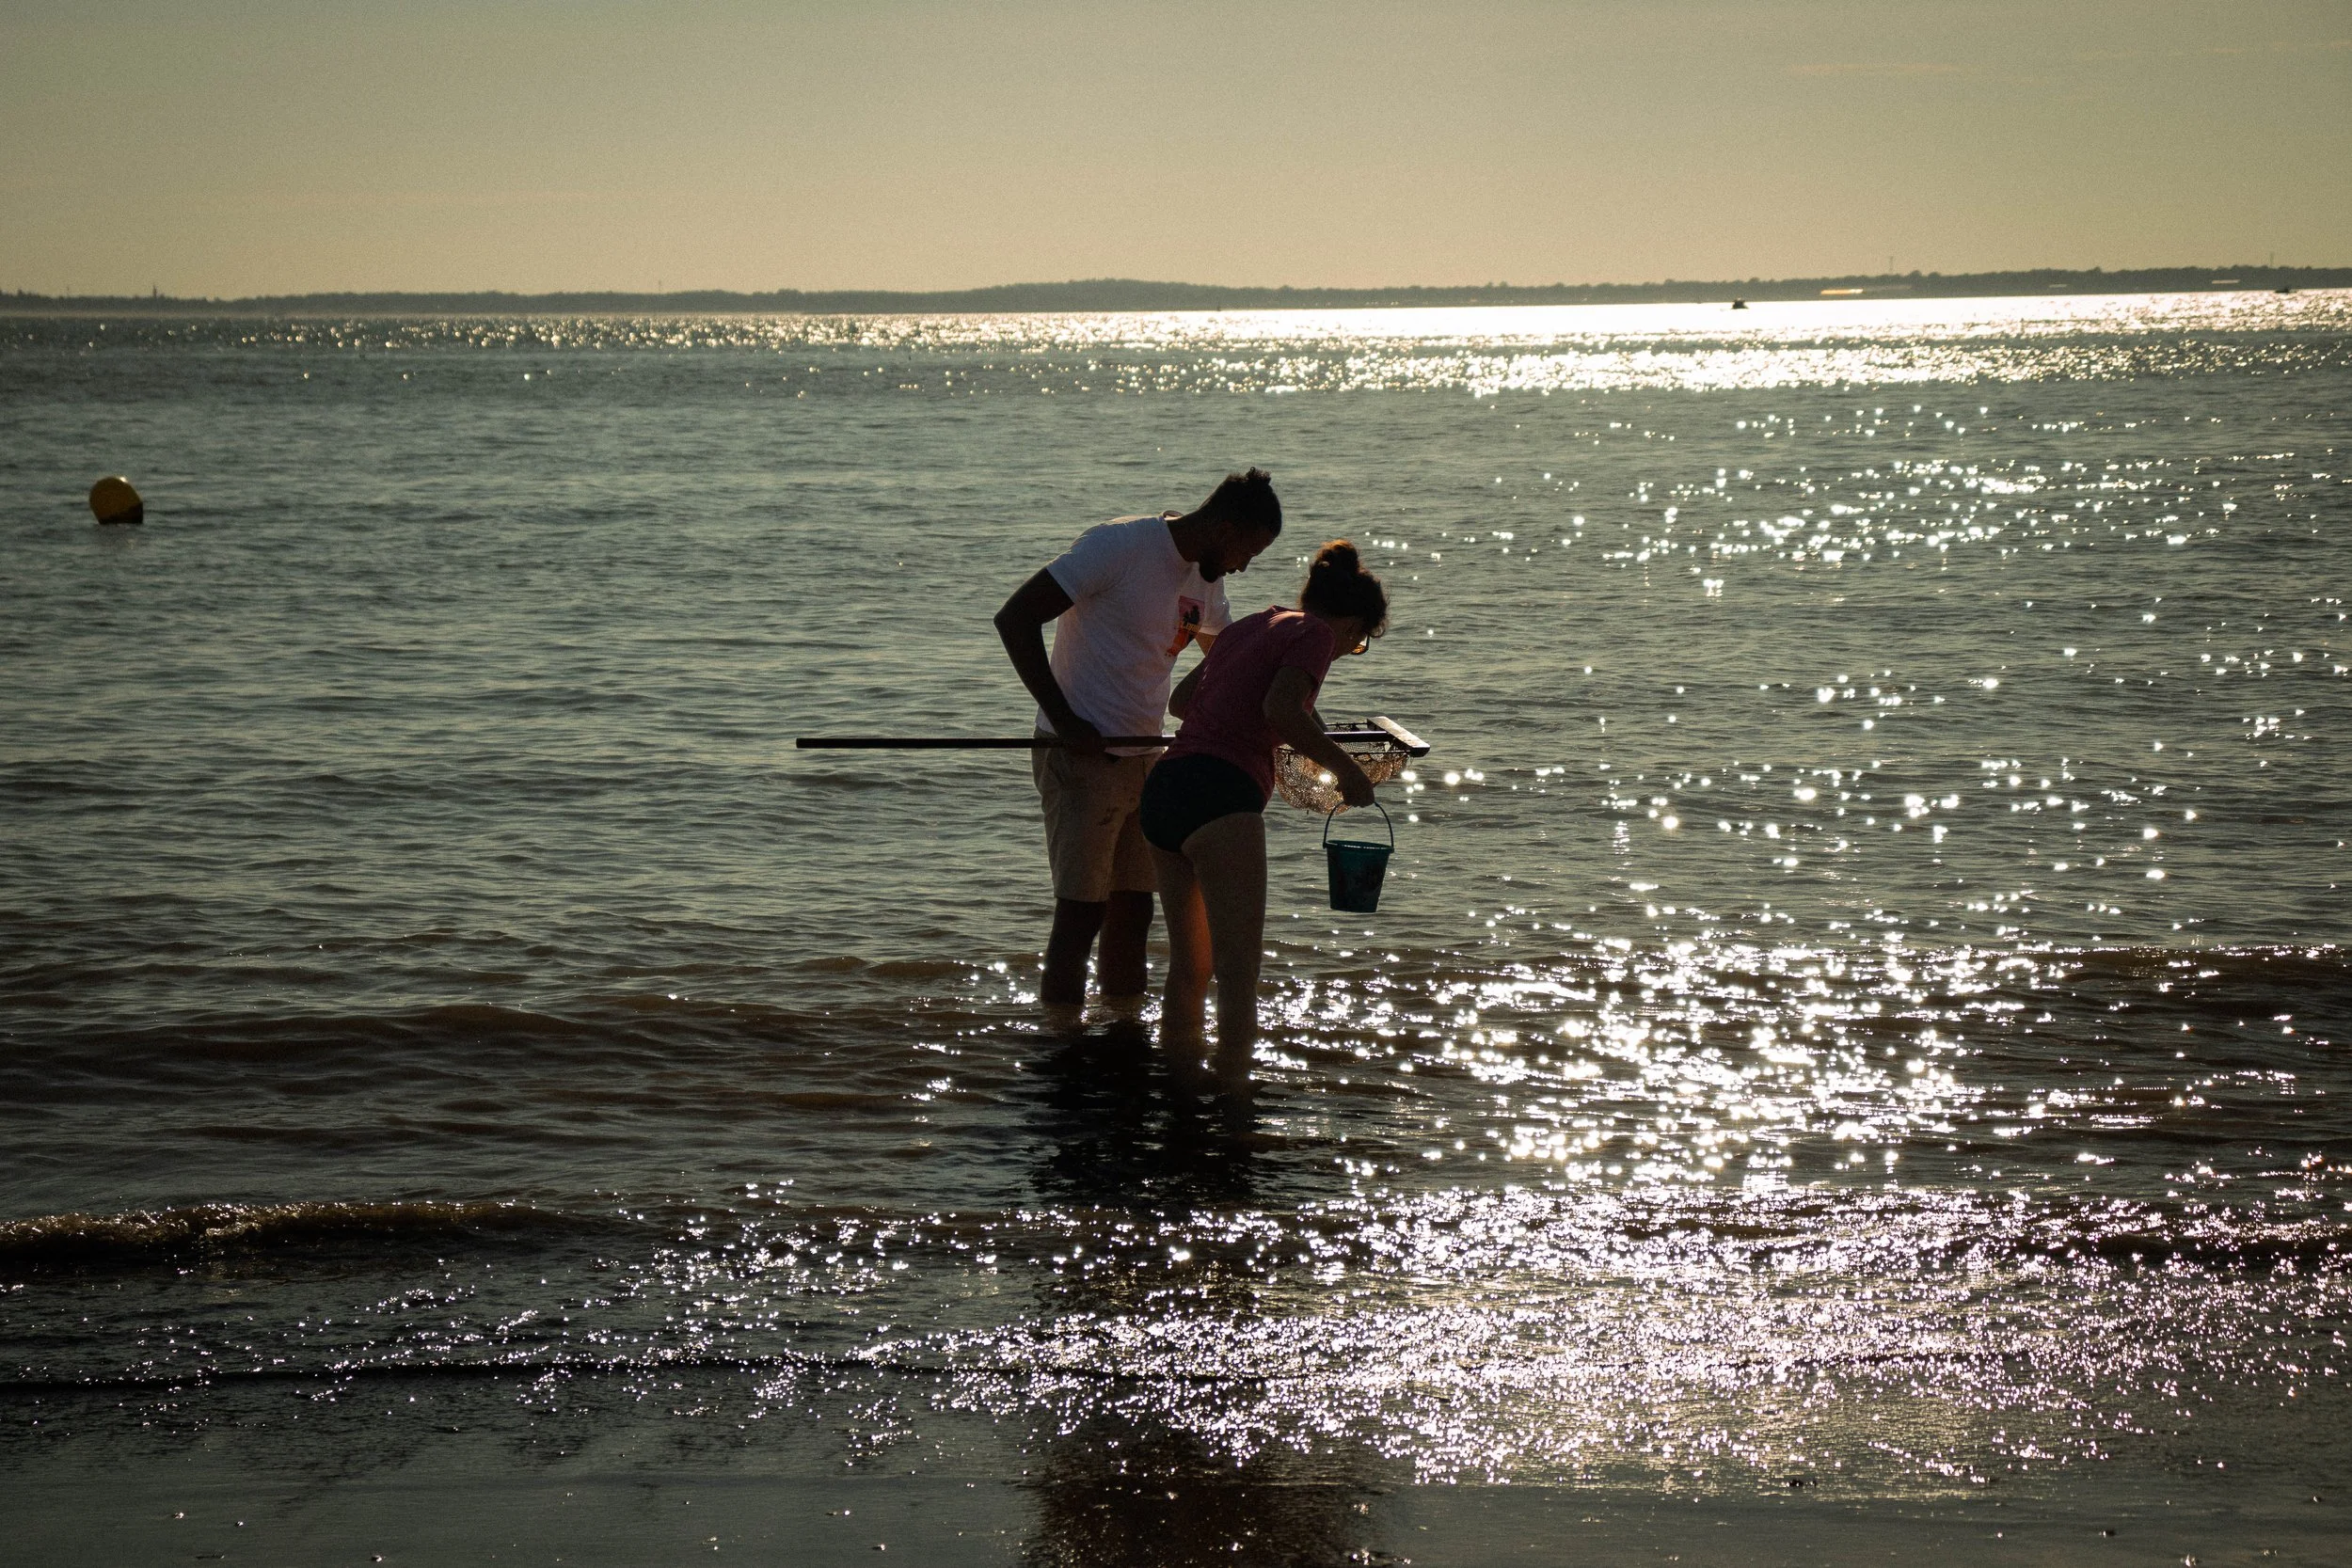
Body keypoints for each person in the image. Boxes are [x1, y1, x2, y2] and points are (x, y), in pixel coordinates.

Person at [994, 469, 1285, 1013]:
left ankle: (1122, 1036)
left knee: (1135, 910)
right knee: (1081, 914)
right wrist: (1065, 718)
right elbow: (1015, 618)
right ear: (1224, 527)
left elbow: (1222, 664)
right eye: (1249, 549)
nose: (1245, 566)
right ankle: (1060, 1047)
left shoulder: (1207, 578)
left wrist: (1280, 713)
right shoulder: (1119, 544)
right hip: (1079, 755)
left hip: (1148, 755)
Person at [1140, 540, 1390, 1075]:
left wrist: (1291, 730)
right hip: (1220, 797)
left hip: (1164, 793)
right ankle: (1233, 1105)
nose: (1349, 652)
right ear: (1353, 626)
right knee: (1236, 973)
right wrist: (1346, 770)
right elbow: (1279, 707)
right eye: (1361, 643)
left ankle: (1179, 1083)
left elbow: (1182, 704)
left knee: (1190, 967)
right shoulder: (1318, 634)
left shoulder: (1251, 626)